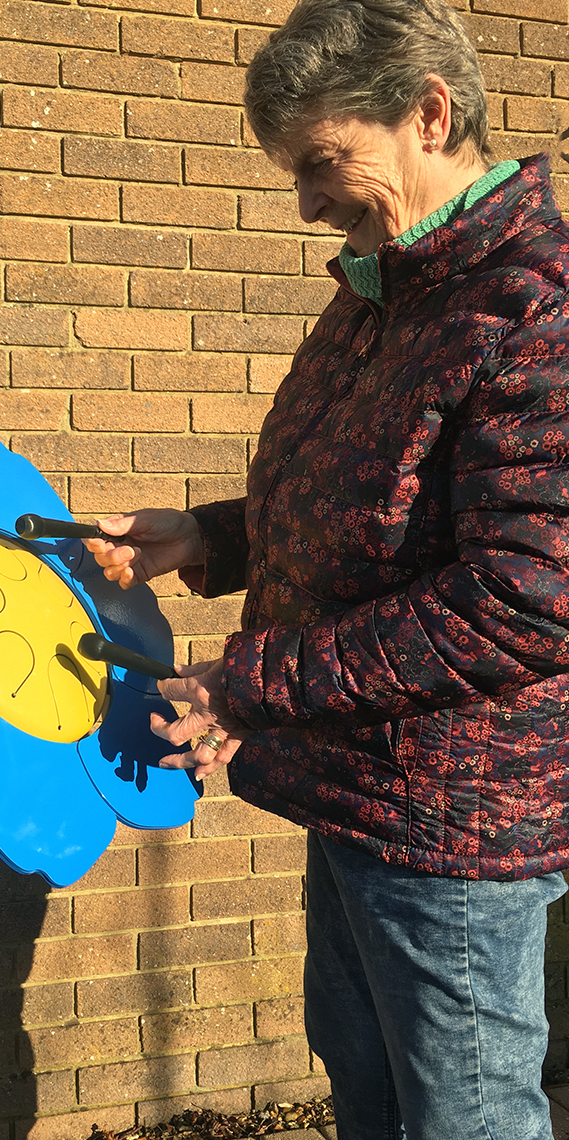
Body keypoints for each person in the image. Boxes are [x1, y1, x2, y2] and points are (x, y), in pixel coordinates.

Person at [86, 0, 569, 1136]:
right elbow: (382, 505)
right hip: (352, 788)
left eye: (322, 163)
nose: (305, 201)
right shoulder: (384, 286)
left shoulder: (532, 306)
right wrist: (213, 536)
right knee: (369, 1098)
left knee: (462, 1117)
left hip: (452, 818)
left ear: (429, 114)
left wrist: (244, 685)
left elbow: (525, 599)